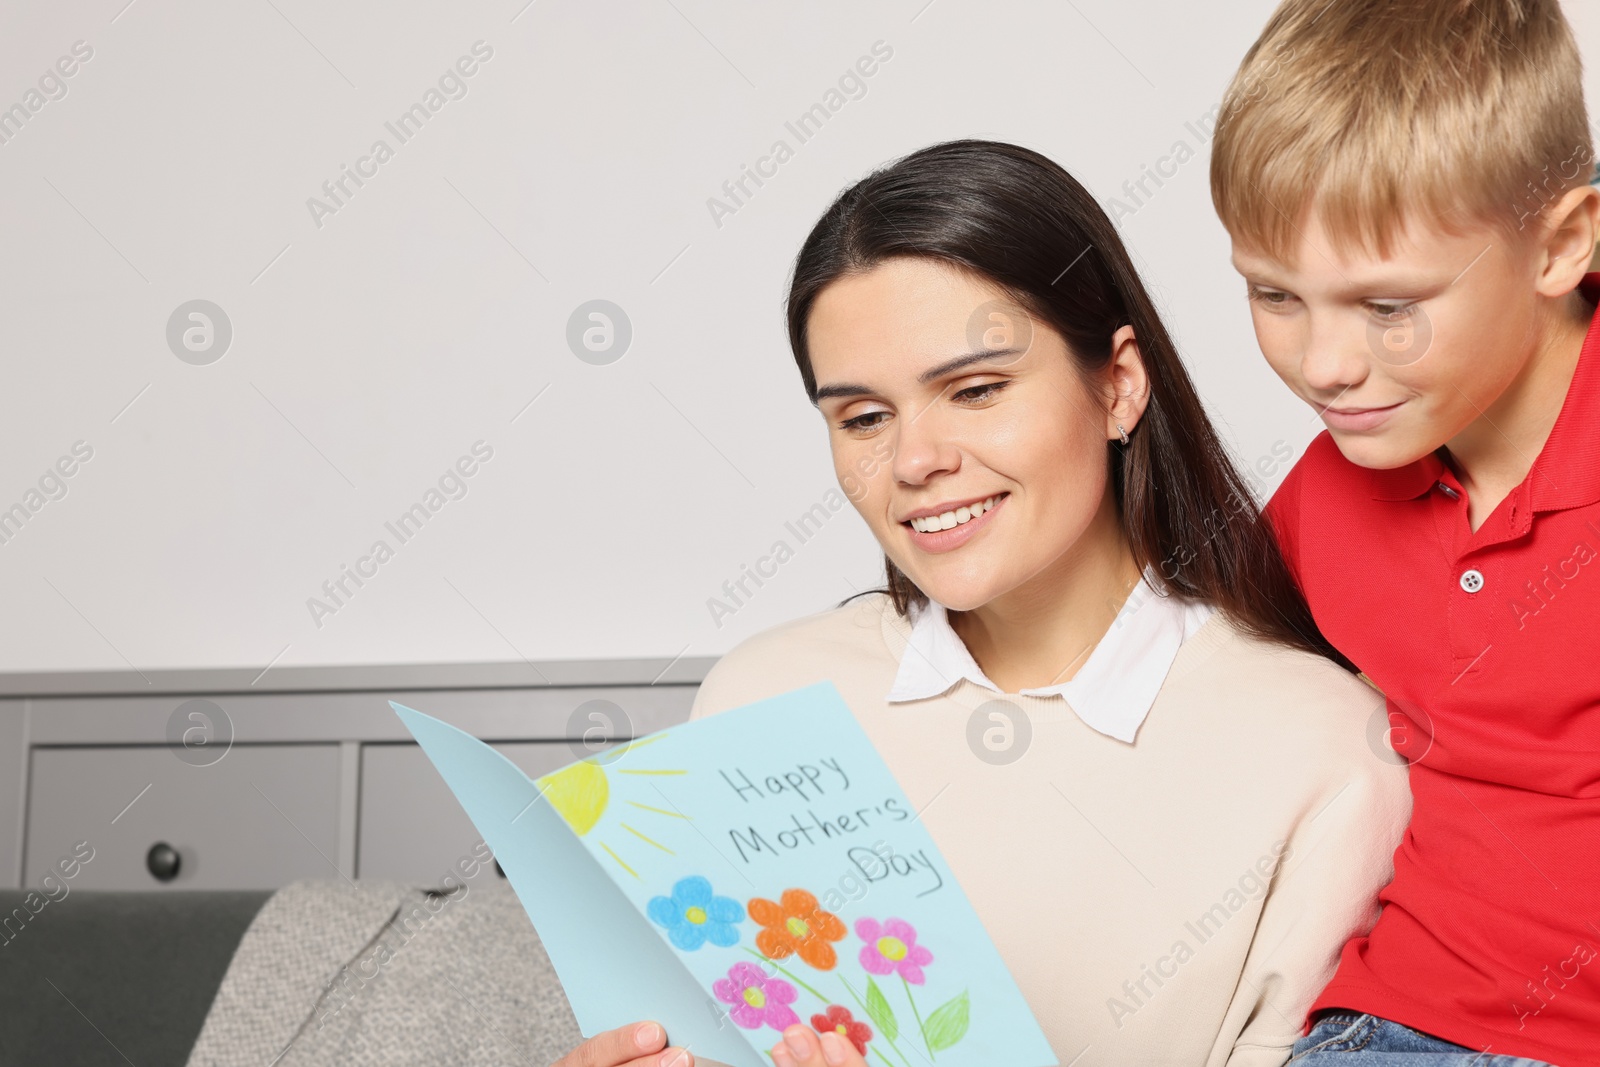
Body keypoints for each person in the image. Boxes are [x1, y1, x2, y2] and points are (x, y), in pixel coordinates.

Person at [552, 139, 1411, 1067]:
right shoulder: (759, 700)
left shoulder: (1330, 752)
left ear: (1118, 385)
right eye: (864, 417)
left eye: (976, 390)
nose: (915, 461)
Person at [1205, 1, 1600, 1064]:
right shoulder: (1338, 481)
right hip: (1385, 1029)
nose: (1323, 364)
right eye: (1274, 293)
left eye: (1388, 307)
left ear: (1560, 243)